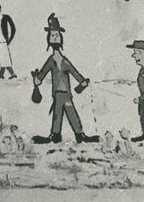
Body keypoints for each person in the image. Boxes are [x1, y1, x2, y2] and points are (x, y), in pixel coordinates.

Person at [31, 13, 99, 144]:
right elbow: (43, 72)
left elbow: (74, 72)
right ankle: (55, 135)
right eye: (52, 35)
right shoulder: (51, 60)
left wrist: (82, 82)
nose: (55, 37)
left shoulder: (64, 61)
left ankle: (79, 134)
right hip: (57, 93)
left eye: (56, 35)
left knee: (71, 112)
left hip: (66, 93)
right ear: (49, 39)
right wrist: (37, 79)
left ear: (61, 38)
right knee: (57, 114)